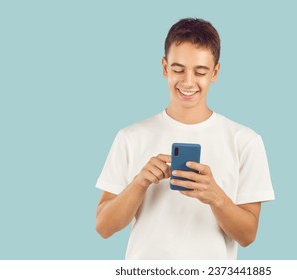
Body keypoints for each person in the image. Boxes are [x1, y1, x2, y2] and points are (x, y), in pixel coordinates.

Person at [95, 18, 275, 259]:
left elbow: (248, 235)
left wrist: (216, 197)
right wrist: (139, 183)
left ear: (215, 72)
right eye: (178, 69)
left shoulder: (245, 141)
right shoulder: (130, 137)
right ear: (164, 67)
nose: (188, 82)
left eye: (200, 71)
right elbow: (104, 227)